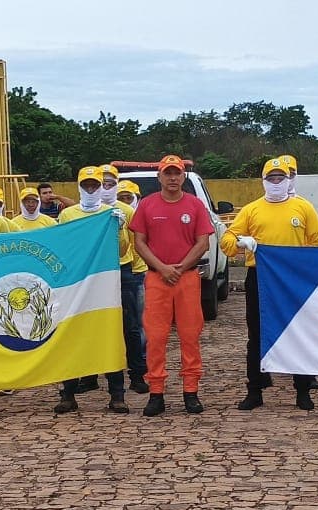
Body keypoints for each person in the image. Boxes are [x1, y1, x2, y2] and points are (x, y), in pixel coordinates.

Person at [221, 156, 318, 411]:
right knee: (256, 334)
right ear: (264, 181)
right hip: (260, 278)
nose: (277, 182)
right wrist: (241, 242)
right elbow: (226, 241)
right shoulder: (251, 210)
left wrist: (304, 268)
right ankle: (255, 389)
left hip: (293, 279)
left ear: (289, 180)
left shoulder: (303, 208)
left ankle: (303, 390)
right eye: (272, 178)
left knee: (298, 333)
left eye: (281, 178)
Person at [130, 154, 214, 416]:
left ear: (183, 176)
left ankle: (191, 391)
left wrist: (180, 267)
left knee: (190, 336)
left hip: (187, 278)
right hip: (157, 278)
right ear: (160, 177)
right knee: (156, 338)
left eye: (177, 173)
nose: (173, 178)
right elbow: (139, 242)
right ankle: (156, 393)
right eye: (168, 173)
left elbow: (203, 242)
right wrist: (163, 267)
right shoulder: (146, 205)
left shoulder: (195, 205)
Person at [54, 166, 134, 414]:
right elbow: (61, 247)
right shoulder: (68, 215)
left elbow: (121, 250)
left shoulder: (111, 213)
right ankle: (68, 392)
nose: (90, 189)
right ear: (79, 187)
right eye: (86, 185)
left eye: (94, 185)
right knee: (71, 335)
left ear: (102, 187)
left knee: (110, 335)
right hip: (74, 283)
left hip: (105, 282)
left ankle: (117, 394)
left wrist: (119, 229)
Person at [115, 180, 150, 394]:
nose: (124, 201)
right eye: (122, 197)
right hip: (114, 272)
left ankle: (139, 368)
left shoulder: (131, 214)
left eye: (128, 197)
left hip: (137, 272)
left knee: (136, 324)